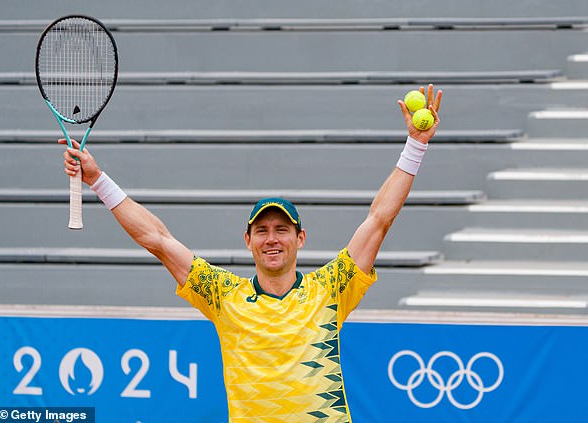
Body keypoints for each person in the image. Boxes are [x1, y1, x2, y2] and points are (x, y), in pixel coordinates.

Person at [60, 84, 442, 422]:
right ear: (248, 240)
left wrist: (415, 146)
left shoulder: (331, 289)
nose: (272, 239)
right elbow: (156, 239)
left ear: (300, 238)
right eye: (262, 230)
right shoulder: (223, 295)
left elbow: (378, 219)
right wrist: (97, 180)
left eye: (281, 230)